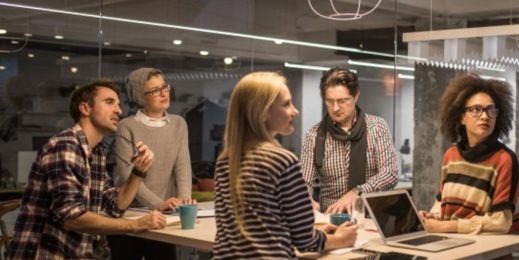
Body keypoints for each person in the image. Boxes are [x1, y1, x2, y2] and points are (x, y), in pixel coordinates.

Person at [7, 79, 166, 259]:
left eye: (119, 104)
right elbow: (72, 218)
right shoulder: (66, 146)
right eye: (109, 102)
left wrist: (138, 171)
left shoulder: (95, 152)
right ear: (85, 109)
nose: (118, 110)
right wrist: (135, 225)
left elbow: (115, 206)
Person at [213, 71, 358, 259]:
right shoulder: (282, 161)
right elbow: (306, 242)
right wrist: (341, 239)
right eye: (287, 104)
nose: (295, 111)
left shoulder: (225, 161)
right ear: (263, 112)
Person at [107, 68, 194, 260]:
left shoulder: (179, 124)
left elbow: (183, 167)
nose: (164, 93)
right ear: (140, 96)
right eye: (155, 90)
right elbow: (127, 175)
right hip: (130, 216)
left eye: (165, 87)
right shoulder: (127, 126)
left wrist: (184, 201)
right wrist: (158, 203)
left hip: (164, 218)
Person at [420, 73, 519, 234]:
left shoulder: (504, 159)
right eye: (476, 110)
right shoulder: (451, 156)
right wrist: (432, 216)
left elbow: (501, 221)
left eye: (491, 110)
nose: (485, 116)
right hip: (450, 242)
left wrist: (450, 227)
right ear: (462, 118)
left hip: (485, 251)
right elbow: (441, 203)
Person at [301, 67, 398, 214]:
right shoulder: (314, 136)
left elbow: (389, 173)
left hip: (371, 218)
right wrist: (305, 198)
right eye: (329, 101)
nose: (335, 108)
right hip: (331, 220)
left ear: (356, 96)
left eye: (342, 101)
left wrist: (356, 192)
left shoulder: (376, 127)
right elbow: (304, 181)